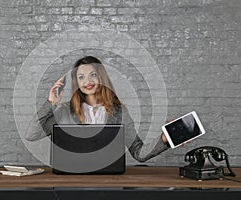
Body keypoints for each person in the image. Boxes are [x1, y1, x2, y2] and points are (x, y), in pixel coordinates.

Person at [26, 56, 169, 162]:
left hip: (108, 182)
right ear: (77, 83)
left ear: (101, 77)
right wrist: (50, 102)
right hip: (70, 181)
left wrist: (164, 139)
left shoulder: (119, 112)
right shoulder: (63, 111)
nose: (87, 82)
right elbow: (31, 134)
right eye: (81, 77)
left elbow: (139, 152)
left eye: (92, 75)